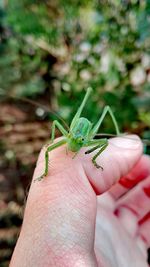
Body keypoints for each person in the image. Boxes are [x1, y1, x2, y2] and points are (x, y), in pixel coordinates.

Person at [10, 135, 150, 267]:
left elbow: (103, 143)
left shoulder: (86, 142)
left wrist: (94, 159)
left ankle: (97, 155)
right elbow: (53, 130)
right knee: (49, 150)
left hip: (84, 137)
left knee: (104, 139)